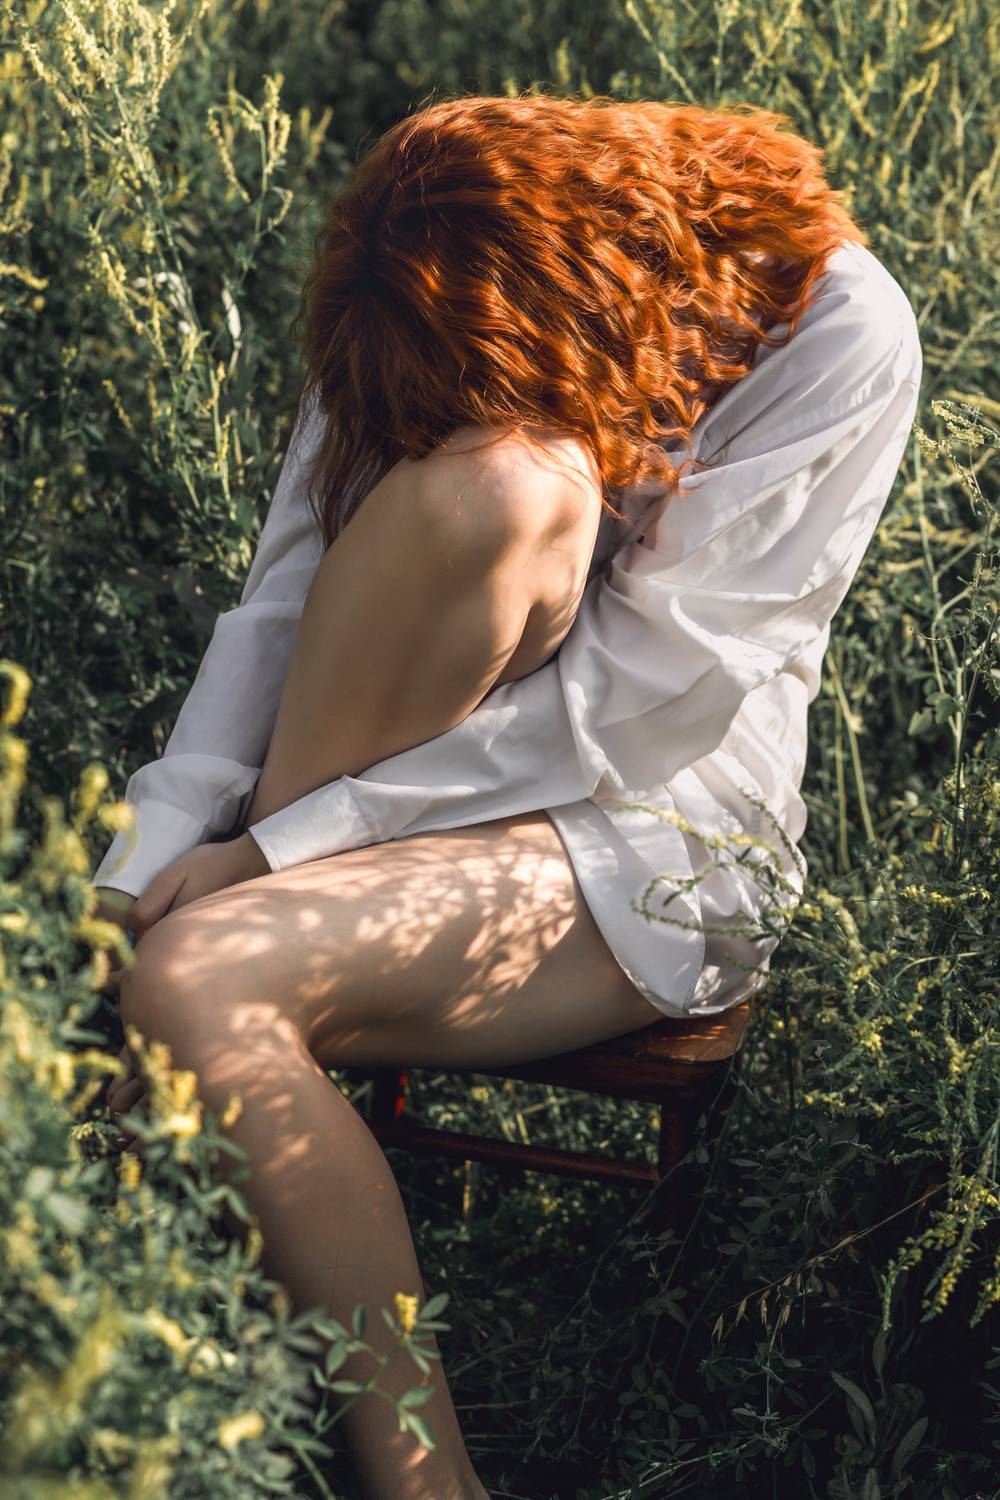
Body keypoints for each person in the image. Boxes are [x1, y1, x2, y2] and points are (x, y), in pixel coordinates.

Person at [92, 92, 922, 1500]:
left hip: (649, 828)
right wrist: (144, 862)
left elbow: (635, 705)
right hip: (405, 753)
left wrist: (272, 855)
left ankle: (421, 1479)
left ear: (574, 307)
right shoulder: (433, 259)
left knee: (198, 976)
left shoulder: (842, 328)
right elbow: (286, 600)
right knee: (473, 486)